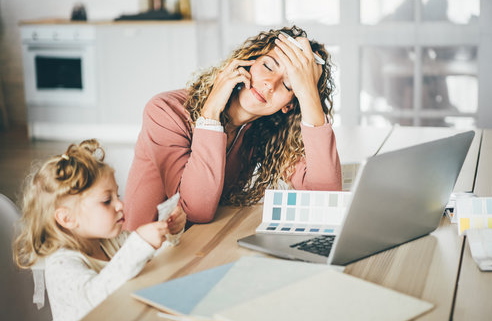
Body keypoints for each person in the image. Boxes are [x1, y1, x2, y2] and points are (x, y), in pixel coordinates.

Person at [124, 26, 342, 230]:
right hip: (147, 255)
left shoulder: (264, 130)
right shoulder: (165, 111)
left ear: (289, 105)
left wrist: (308, 94)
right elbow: (195, 211)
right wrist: (210, 114)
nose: (269, 83)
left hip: (202, 247)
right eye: (268, 66)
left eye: (288, 85)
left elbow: (324, 199)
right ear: (248, 61)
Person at [12, 139, 186, 321]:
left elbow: (151, 256)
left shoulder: (110, 240)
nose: (120, 204)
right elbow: (93, 300)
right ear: (67, 218)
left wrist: (169, 233)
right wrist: (140, 243)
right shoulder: (60, 265)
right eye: (106, 201)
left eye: (117, 195)